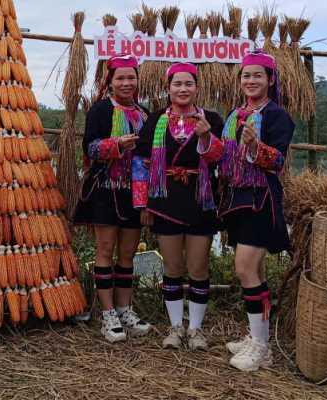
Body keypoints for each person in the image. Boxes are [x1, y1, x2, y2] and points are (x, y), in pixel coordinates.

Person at [132, 63, 224, 351]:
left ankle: (195, 329)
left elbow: (221, 160)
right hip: (165, 199)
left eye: (188, 84)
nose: (183, 89)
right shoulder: (156, 120)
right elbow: (140, 162)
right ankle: (175, 327)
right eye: (177, 84)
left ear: (197, 88)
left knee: (198, 267)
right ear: (168, 88)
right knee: (172, 266)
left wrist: (206, 136)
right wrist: (142, 203)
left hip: (200, 199)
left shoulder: (212, 119)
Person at [218, 50, 295, 372]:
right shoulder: (235, 115)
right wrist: (206, 138)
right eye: (246, 76)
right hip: (237, 198)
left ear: (270, 80)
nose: (251, 81)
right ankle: (257, 337)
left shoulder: (278, 116)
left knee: (245, 269)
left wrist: (254, 146)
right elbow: (223, 157)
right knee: (256, 272)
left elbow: (278, 162)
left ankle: (261, 348)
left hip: (261, 201)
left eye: (257, 76)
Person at [73, 54, 151, 342]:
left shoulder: (144, 114)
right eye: (121, 78)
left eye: (131, 77)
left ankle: (124, 308)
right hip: (106, 189)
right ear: (110, 82)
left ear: (137, 80)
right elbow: (90, 148)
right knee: (105, 249)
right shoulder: (100, 110)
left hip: (135, 191)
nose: (126, 83)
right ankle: (108, 315)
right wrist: (116, 144)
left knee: (128, 253)